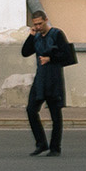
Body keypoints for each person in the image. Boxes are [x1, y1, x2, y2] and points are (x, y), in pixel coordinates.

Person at [22, 10, 69, 156]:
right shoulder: (36, 36)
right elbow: (25, 52)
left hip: (54, 78)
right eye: (35, 24)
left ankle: (55, 147)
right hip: (40, 78)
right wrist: (31, 36)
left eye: (40, 24)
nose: (38, 27)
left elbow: (67, 55)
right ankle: (41, 143)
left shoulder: (56, 34)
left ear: (46, 20)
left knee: (55, 114)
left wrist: (51, 58)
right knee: (31, 110)